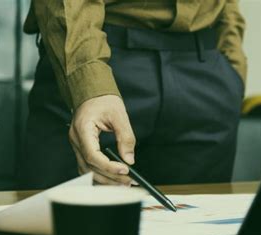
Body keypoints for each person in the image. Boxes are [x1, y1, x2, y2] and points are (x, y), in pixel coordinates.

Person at [17, 1, 247, 189]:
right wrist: (89, 84)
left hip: (203, 67)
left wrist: (232, 67)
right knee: (59, 234)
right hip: (101, 59)